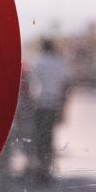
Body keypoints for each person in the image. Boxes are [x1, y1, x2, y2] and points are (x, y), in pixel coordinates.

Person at [25, 38, 69, 183]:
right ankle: (46, 168)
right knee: (49, 136)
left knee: (38, 136)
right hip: (53, 104)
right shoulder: (58, 63)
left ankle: (39, 168)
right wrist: (63, 107)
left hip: (39, 104)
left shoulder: (37, 61)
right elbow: (64, 86)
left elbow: (30, 83)